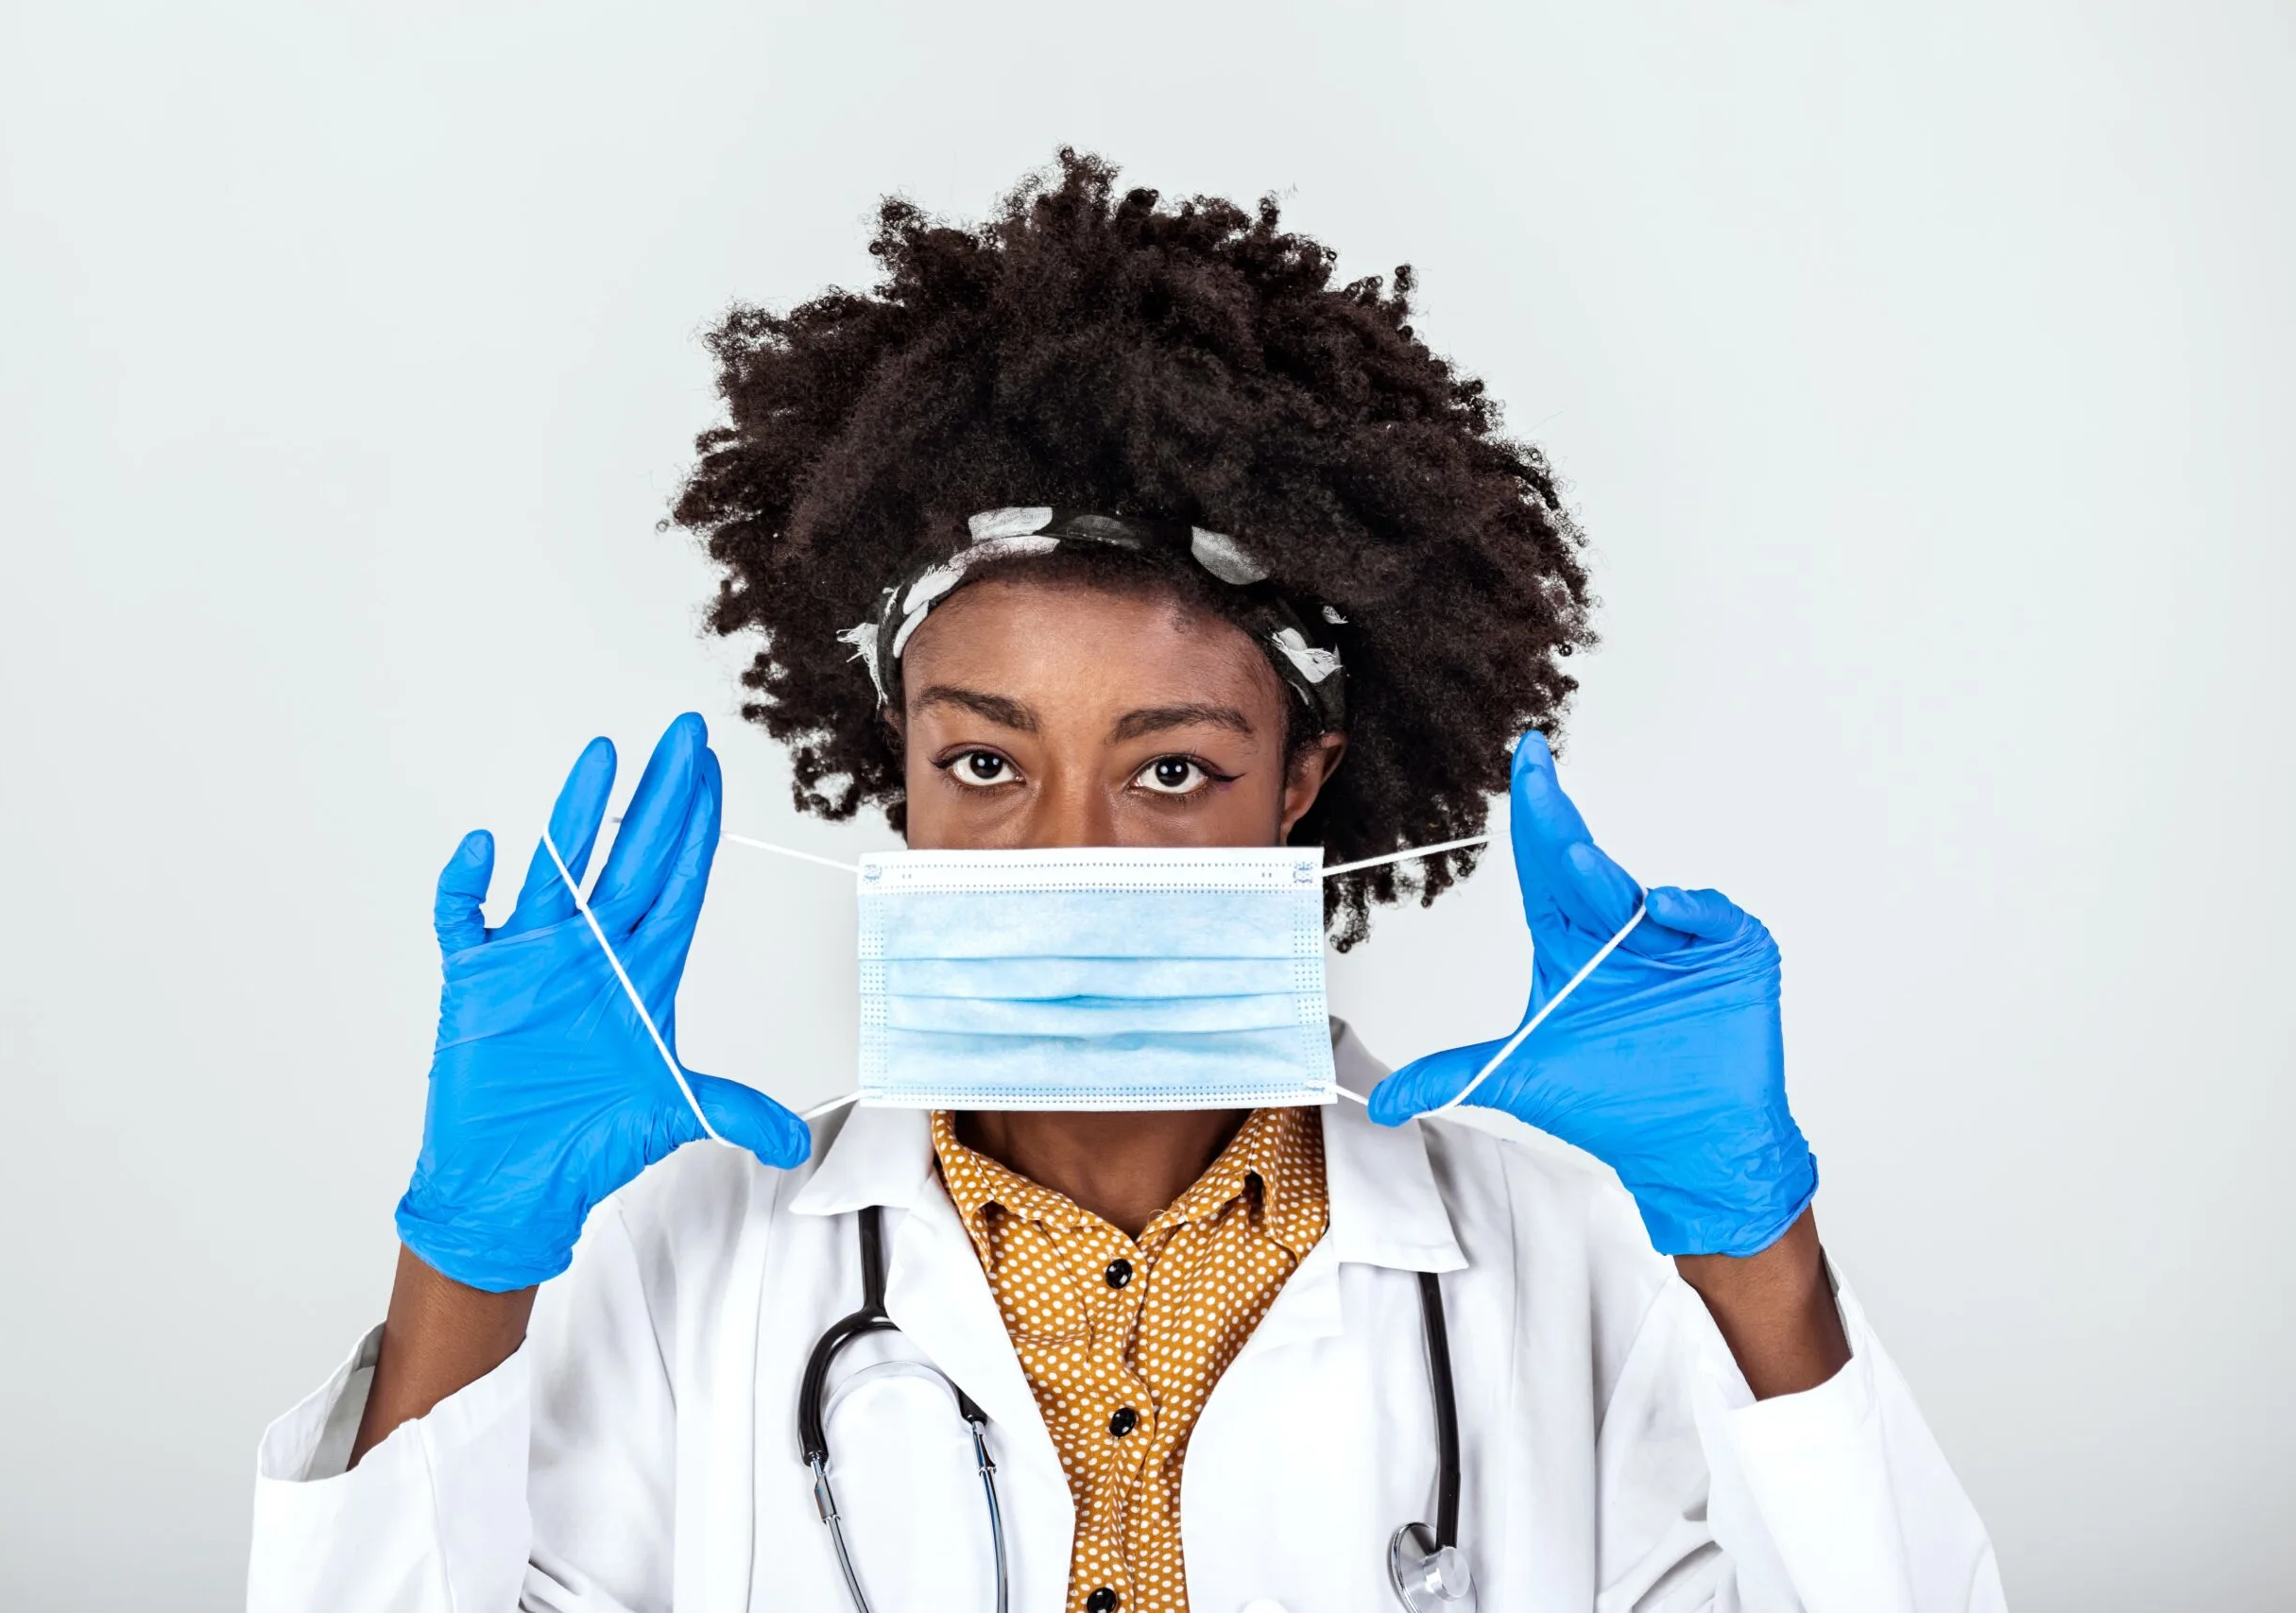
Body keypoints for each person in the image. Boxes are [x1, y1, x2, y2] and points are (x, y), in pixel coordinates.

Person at [247, 152, 2003, 1612]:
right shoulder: (676, 1266)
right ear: (899, 775)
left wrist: (1760, 1253)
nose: (1070, 849)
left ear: (1304, 783)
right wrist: (463, 1264)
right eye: (987, 764)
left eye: (1170, 769)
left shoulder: (1572, 1259)